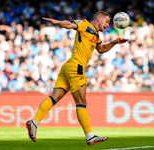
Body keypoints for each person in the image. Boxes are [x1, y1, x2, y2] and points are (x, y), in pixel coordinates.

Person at [26, 11, 129, 146]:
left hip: (68, 67)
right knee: (81, 101)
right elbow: (70, 25)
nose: (108, 25)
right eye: (106, 21)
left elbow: (101, 49)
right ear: (98, 18)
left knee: (54, 97)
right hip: (76, 67)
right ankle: (89, 136)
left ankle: (34, 122)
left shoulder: (96, 35)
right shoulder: (85, 25)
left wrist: (115, 42)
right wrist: (56, 22)